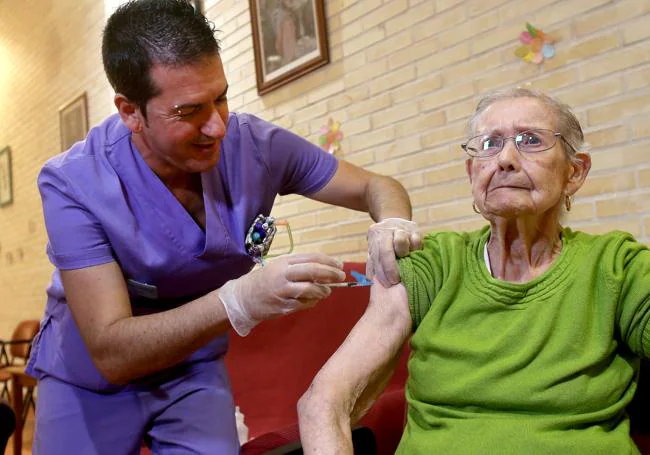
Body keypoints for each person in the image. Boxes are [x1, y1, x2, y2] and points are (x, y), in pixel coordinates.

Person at [27, 1, 421, 453]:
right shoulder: (73, 181)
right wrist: (240, 300)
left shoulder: (255, 145)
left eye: (221, 97)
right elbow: (111, 350)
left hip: (193, 366)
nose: (217, 126)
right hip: (91, 378)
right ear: (130, 112)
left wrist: (392, 221)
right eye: (189, 110)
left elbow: (376, 186)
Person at [298, 88, 650, 454]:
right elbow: (323, 403)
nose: (506, 159)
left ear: (574, 173)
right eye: (490, 144)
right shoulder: (432, 263)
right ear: (472, 171)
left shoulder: (617, 267)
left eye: (530, 140)